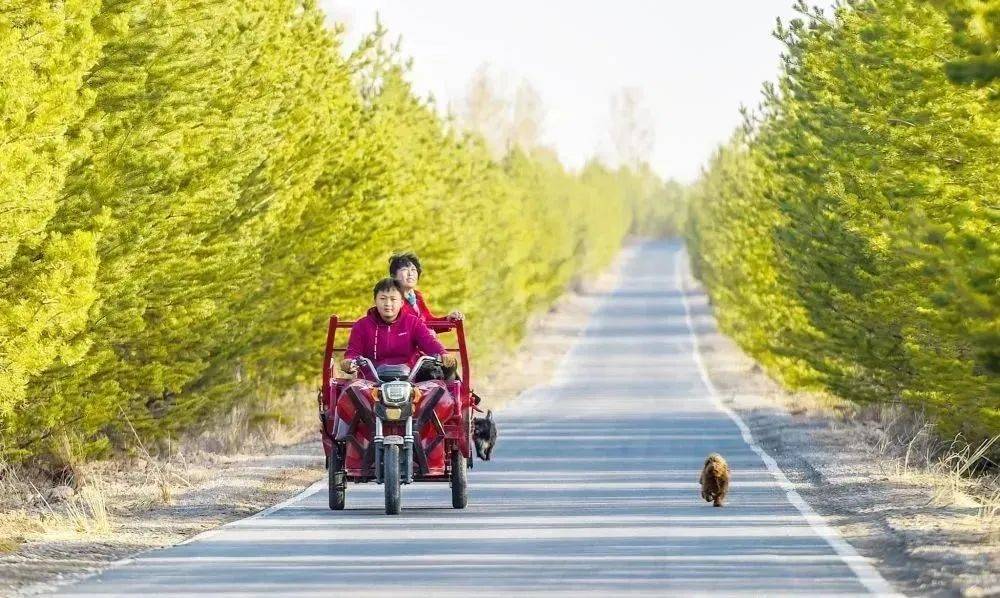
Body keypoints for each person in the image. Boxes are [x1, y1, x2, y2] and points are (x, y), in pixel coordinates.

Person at [340, 278, 457, 376]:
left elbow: (429, 342)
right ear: (375, 301)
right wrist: (348, 362)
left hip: (410, 380)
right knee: (349, 396)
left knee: (436, 392)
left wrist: (443, 353)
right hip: (370, 383)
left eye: (393, 299)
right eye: (383, 298)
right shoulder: (361, 325)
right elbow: (353, 352)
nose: (388, 304)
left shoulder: (413, 322)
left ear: (401, 303)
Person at [389, 252, 463, 323]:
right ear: (393, 276)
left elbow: (428, 321)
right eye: (404, 270)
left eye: (413, 269)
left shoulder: (417, 296)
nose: (410, 273)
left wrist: (448, 319)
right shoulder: (390, 298)